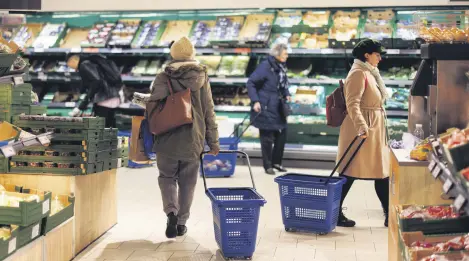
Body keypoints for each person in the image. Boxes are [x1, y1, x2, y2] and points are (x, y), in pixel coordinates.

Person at [150, 36, 219, 238]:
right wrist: (213, 140)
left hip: (167, 136)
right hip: (193, 138)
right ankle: (181, 223)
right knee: (188, 182)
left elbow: (153, 104)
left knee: (167, 177)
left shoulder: (163, 76)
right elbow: (209, 111)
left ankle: (171, 212)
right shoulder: (202, 77)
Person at [336, 39, 390, 228]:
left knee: (381, 172)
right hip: (362, 129)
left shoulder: (369, 72)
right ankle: (335, 213)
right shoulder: (358, 73)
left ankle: (389, 215)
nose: (380, 58)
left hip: (373, 127)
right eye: (377, 54)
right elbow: (352, 103)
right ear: (367, 55)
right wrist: (361, 125)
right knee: (350, 172)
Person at [247, 43, 291, 175]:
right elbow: (251, 83)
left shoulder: (281, 67)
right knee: (267, 137)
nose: (287, 56)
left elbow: (281, 84)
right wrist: (255, 101)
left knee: (281, 134)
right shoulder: (265, 66)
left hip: (278, 106)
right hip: (265, 106)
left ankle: (276, 162)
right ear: (277, 54)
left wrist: (287, 93)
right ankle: (267, 165)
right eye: (285, 54)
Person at [67, 54, 123, 128]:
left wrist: (82, 105)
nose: (70, 67)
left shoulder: (84, 64)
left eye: (68, 64)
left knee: (101, 128)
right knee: (110, 127)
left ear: (73, 60)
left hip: (104, 99)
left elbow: (96, 82)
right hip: (113, 97)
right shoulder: (93, 62)